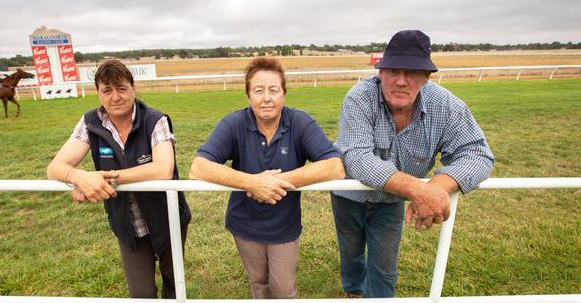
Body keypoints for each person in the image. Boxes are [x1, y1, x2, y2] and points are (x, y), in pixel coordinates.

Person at [332, 30, 494, 298]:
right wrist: (418, 190)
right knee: (350, 250)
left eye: (412, 72)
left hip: (391, 201)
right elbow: (358, 158)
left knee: (384, 265)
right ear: (380, 72)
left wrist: (437, 186)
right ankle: (354, 290)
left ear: (426, 77)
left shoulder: (447, 106)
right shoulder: (359, 98)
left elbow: (477, 153)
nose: (401, 81)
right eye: (393, 70)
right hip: (348, 194)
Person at [189, 57, 345, 299]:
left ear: (284, 93)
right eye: (258, 90)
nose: (267, 98)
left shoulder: (300, 122)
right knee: (259, 284)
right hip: (244, 223)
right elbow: (199, 168)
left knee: (283, 289)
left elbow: (335, 167)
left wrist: (276, 182)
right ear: (248, 95)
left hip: (284, 225)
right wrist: (252, 182)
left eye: (274, 90)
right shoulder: (234, 123)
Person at [46, 59, 191, 298]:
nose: (116, 97)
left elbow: (163, 169)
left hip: (167, 217)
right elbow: (55, 167)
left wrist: (105, 180)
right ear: (98, 94)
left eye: (122, 88)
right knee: (141, 293)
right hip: (127, 224)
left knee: (174, 285)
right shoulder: (90, 123)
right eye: (107, 90)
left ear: (134, 89)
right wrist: (80, 177)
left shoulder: (155, 120)